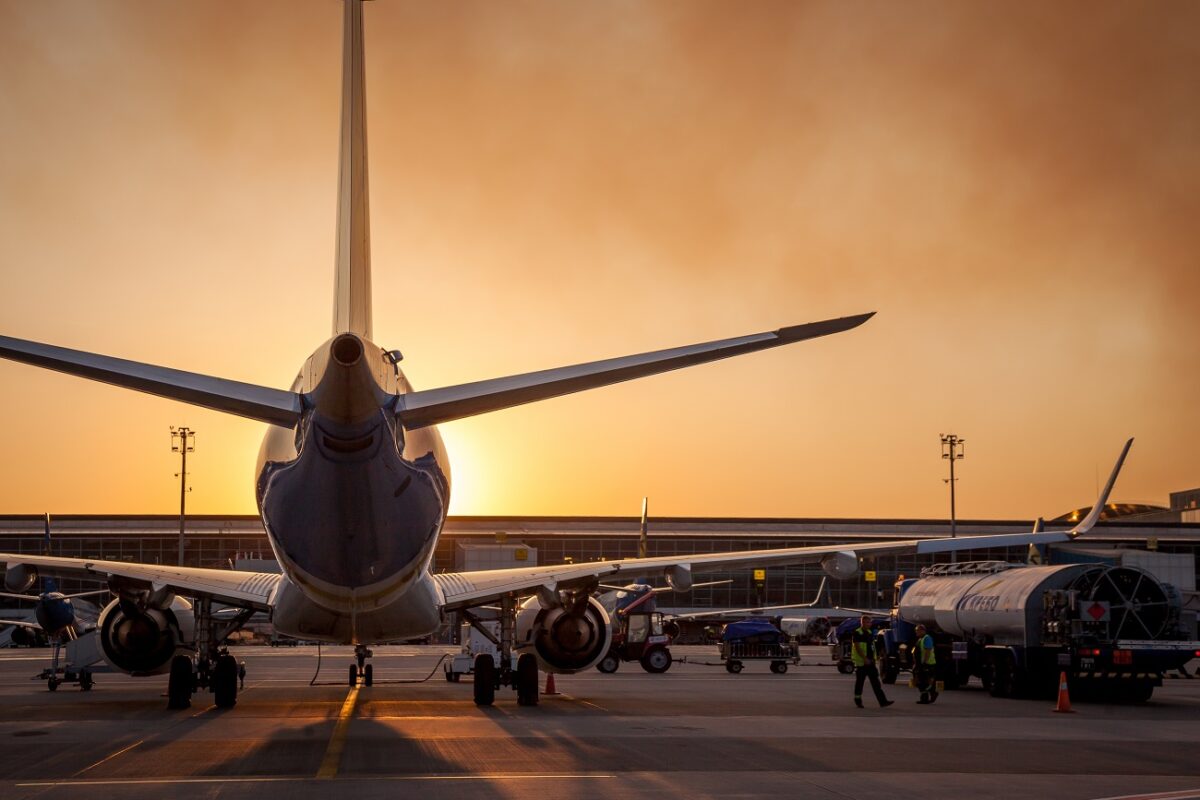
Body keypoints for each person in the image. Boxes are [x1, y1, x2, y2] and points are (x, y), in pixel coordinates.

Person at [851, 615, 893, 709]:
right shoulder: (857, 633)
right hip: (862, 663)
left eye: (870, 622)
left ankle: (883, 701)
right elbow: (857, 647)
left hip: (871, 662)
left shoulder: (869, 632)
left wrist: (874, 658)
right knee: (860, 683)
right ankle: (858, 700)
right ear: (862, 623)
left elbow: (872, 647)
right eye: (867, 622)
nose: (869, 624)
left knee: (876, 683)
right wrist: (864, 658)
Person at [913, 624, 938, 704]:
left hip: (927, 664)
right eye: (916, 630)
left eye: (918, 630)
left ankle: (927, 697)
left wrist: (924, 662)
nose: (916, 632)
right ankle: (927, 696)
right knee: (922, 681)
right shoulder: (921, 639)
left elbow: (928, 651)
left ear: (923, 631)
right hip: (920, 664)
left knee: (924, 681)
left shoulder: (927, 638)